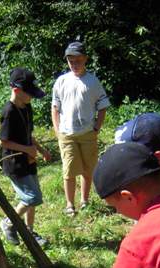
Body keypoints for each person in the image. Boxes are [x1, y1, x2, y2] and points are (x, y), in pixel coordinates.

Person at [52, 41, 110, 216]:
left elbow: (102, 106)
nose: (74, 64)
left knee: (88, 169)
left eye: (78, 61)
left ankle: (85, 200)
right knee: (69, 171)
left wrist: (97, 127)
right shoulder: (61, 81)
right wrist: (57, 130)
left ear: (85, 59)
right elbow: (55, 107)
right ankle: (70, 204)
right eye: (71, 61)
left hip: (87, 134)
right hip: (66, 134)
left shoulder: (92, 81)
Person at [0, 68, 51, 247]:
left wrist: (41, 150)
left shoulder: (27, 107)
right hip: (15, 163)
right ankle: (8, 223)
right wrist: (27, 149)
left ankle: (29, 232)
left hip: (28, 160)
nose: (32, 97)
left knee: (32, 199)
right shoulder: (9, 112)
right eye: (30, 93)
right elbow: (3, 141)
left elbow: (29, 134)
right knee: (32, 197)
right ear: (16, 90)